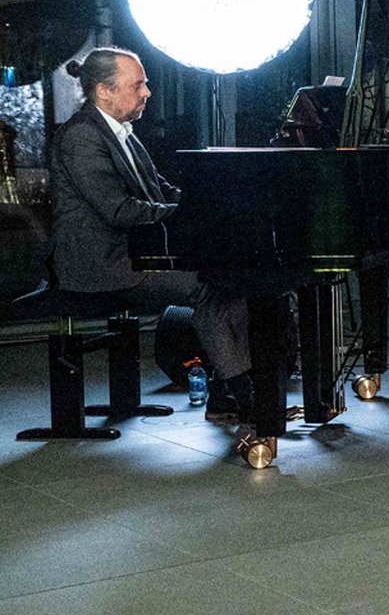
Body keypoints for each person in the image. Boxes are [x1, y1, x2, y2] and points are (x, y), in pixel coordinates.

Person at [48, 47, 255, 421]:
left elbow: (161, 193)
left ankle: (229, 392)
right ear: (103, 91)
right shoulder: (80, 136)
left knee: (233, 280)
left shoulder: (124, 133)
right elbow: (117, 209)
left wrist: (205, 208)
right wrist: (185, 214)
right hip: (101, 264)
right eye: (138, 85)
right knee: (207, 286)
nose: (147, 93)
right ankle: (240, 393)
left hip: (133, 255)